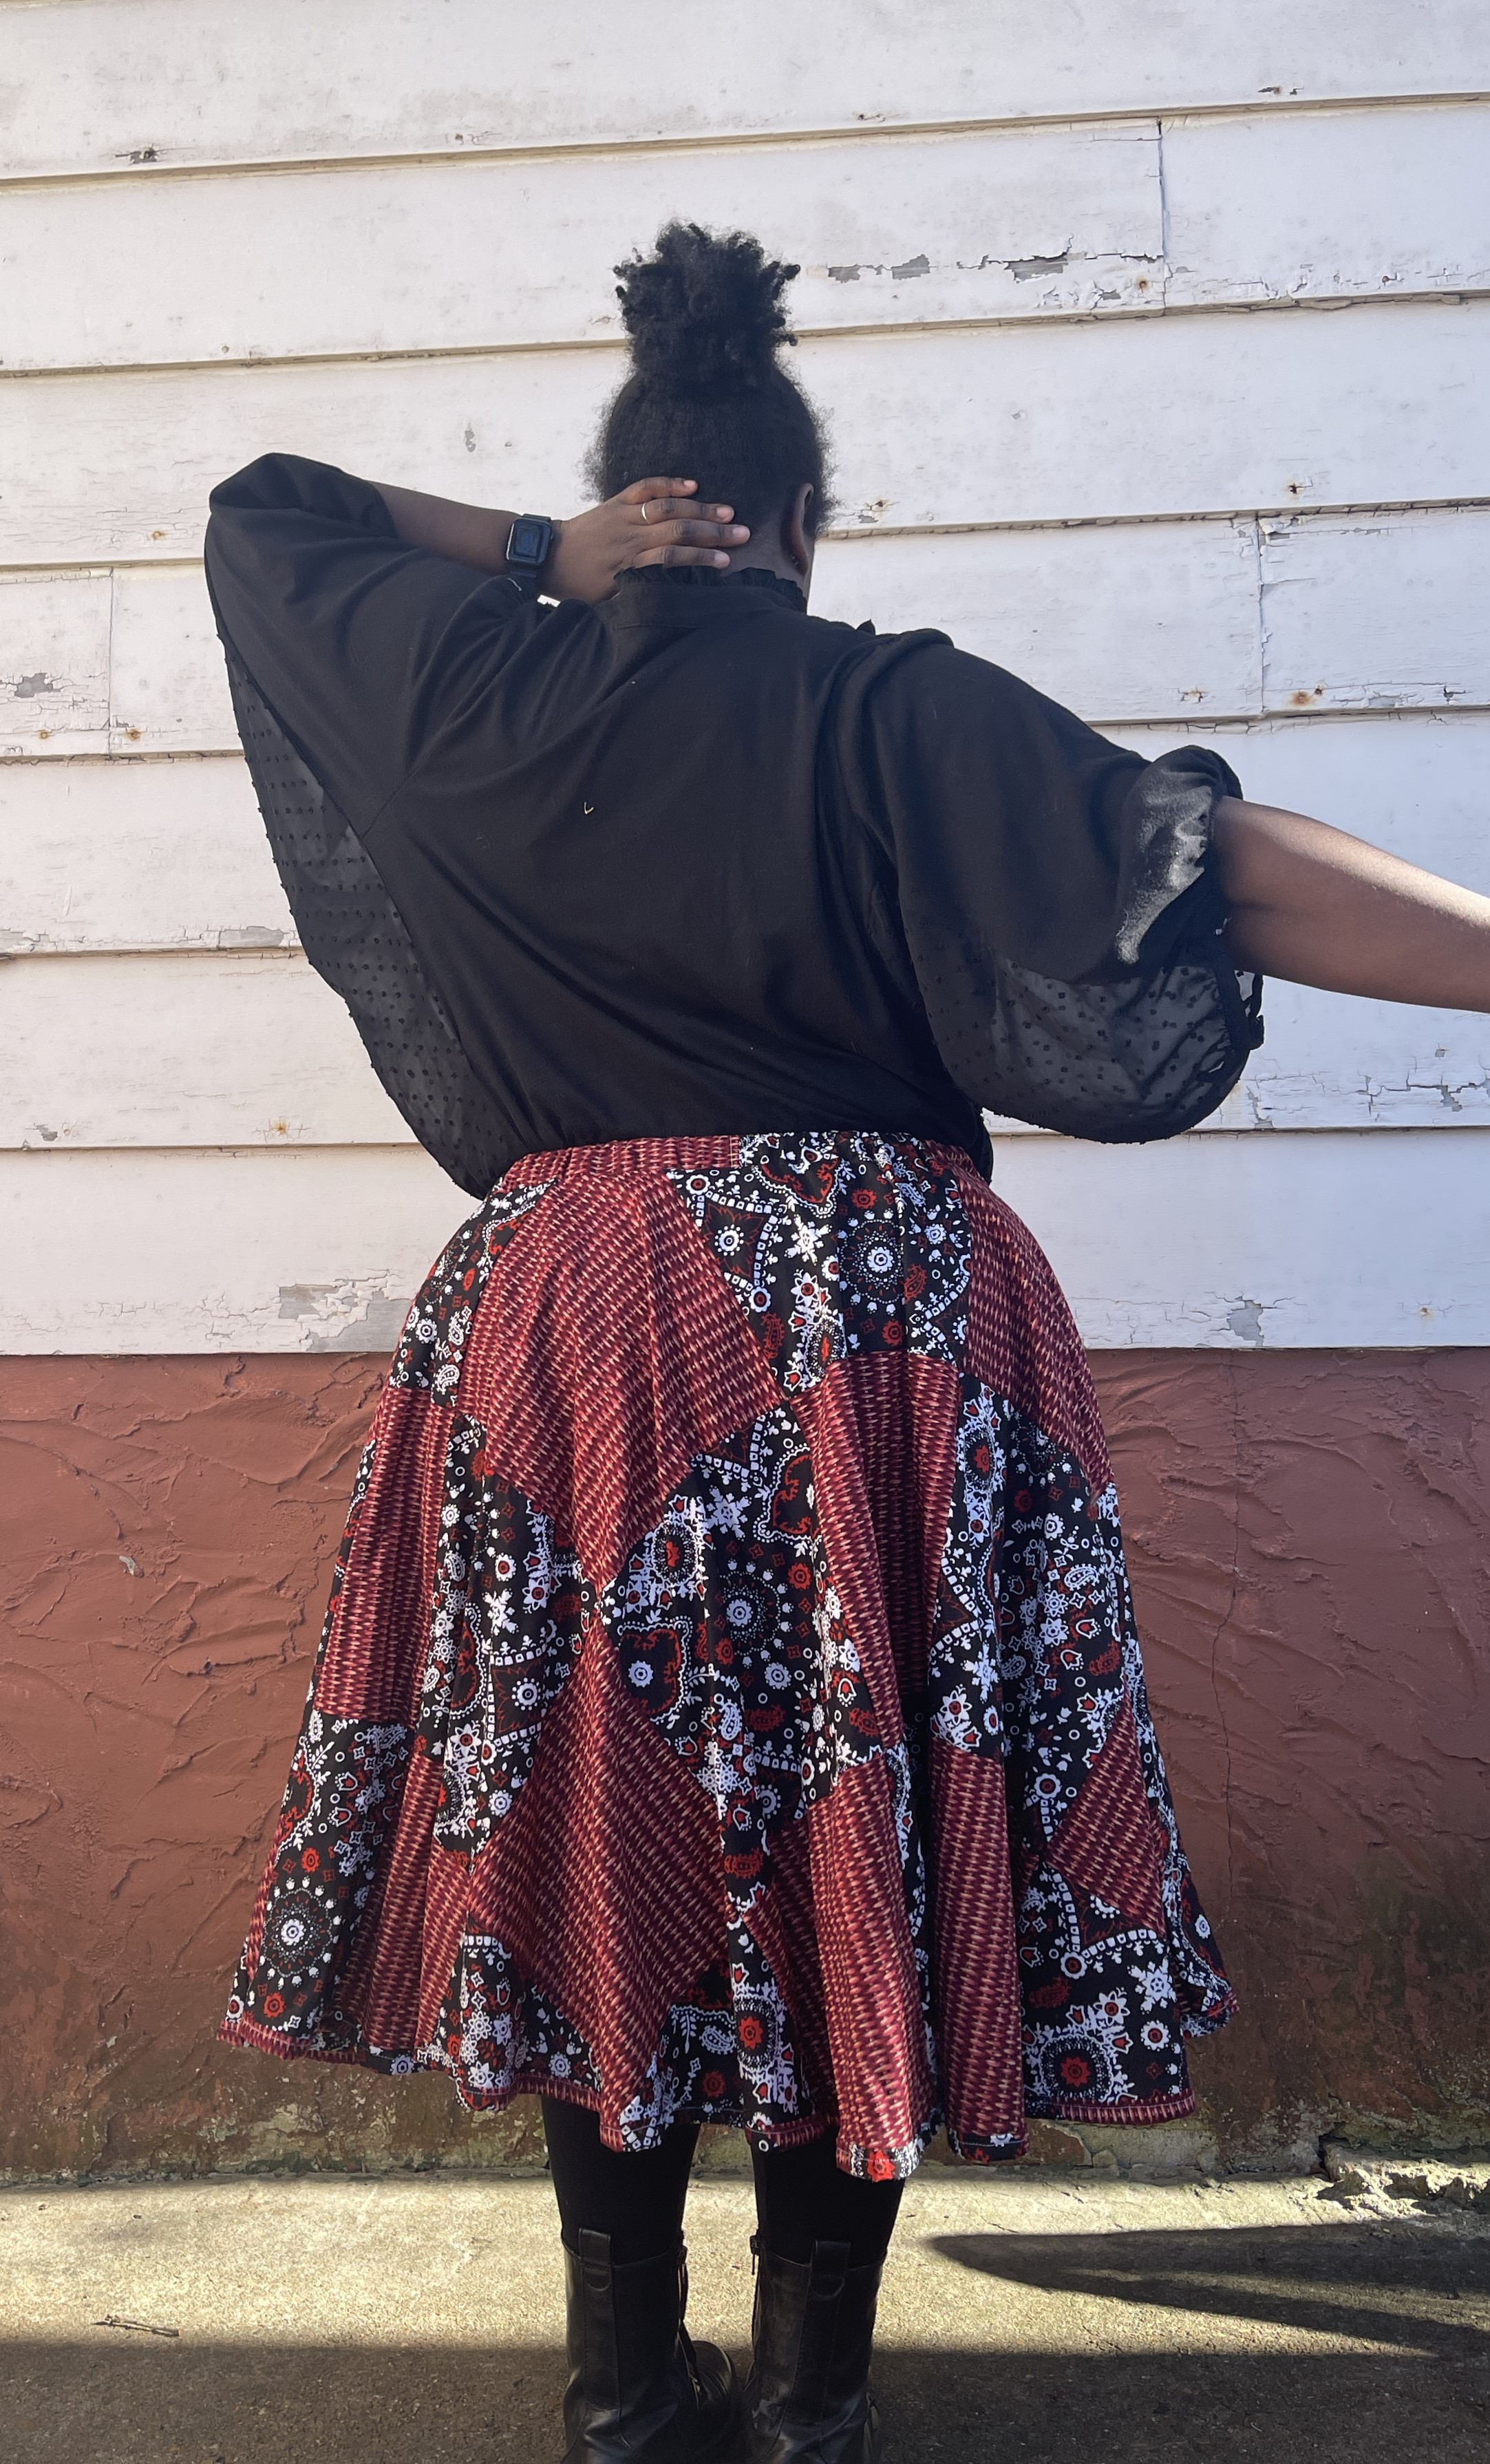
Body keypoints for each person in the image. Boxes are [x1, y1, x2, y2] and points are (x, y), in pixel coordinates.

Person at [204, 224, 1490, 2464]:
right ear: (807, 525)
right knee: (856, 1827)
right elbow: (1217, 868)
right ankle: (810, 2404)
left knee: (592, 1804)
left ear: (630, 518)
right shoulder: (893, 702)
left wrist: (534, 551)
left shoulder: (460, 687)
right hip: (882, 1313)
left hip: (571, 1318)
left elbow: (263, 511)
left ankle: (623, 2394)